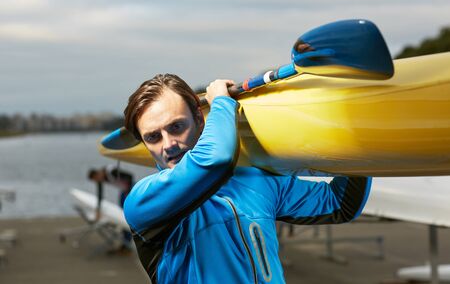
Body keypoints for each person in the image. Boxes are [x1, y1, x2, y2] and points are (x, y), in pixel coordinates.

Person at [122, 74, 372, 283]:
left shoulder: (256, 180)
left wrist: (357, 131)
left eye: (176, 127)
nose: (168, 145)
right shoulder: (144, 202)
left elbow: (340, 203)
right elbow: (215, 160)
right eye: (153, 137)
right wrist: (221, 102)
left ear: (199, 119)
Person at [87, 165, 134, 252]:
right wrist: (98, 211)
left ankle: (127, 242)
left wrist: (128, 192)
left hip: (131, 189)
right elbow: (100, 195)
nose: (98, 182)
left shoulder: (112, 172)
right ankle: (125, 242)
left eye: (96, 179)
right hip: (124, 191)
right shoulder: (100, 177)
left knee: (127, 215)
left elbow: (130, 176)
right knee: (122, 215)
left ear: (97, 174)